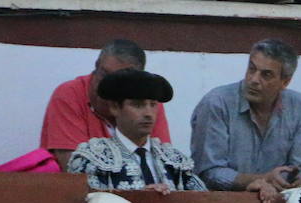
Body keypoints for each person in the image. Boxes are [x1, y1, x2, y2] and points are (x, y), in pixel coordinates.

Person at [190, 39, 301, 203]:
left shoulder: (297, 105)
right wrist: (263, 179)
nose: (254, 79)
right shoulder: (216, 103)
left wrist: (297, 178)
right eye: (251, 69)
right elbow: (208, 172)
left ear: (285, 82)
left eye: (266, 74)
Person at [38, 39, 171, 167]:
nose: (105, 84)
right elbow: (74, 169)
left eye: (118, 81)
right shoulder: (69, 95)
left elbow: (164, 162)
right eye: (104, 74)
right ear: (96, 65)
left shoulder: (149, 102)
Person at [66, 68, 205, 191]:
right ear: (114, 107)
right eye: (138, 105)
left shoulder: (175, 161)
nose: (148, 113)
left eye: (153, 105)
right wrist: (139, 200)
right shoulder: (92, 158)